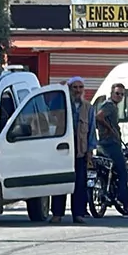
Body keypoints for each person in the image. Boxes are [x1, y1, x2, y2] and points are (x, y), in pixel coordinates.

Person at [51, 76, 96, 224]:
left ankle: (78, 214)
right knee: (60, 183)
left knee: (80, 184)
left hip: (80, 151)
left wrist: (90, 152)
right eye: (74, 87)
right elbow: (51, 112)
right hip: (62, 150)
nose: (77, 90)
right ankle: (57, 213)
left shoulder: (88, 108)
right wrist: (59, 89)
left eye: (80, 87)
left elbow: (91, 131)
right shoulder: (62, 104)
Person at [94, 83, 128, 216]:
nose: (119, 96)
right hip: (110, 145)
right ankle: (125, 204)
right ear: (111, 93)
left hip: (103, 144)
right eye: (117, 93)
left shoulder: (110, 105)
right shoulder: (109, 106)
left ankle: (106, 195)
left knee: (105, 173)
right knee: (123, 172)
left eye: (122, 94)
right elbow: (99, 116)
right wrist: (110, 129)